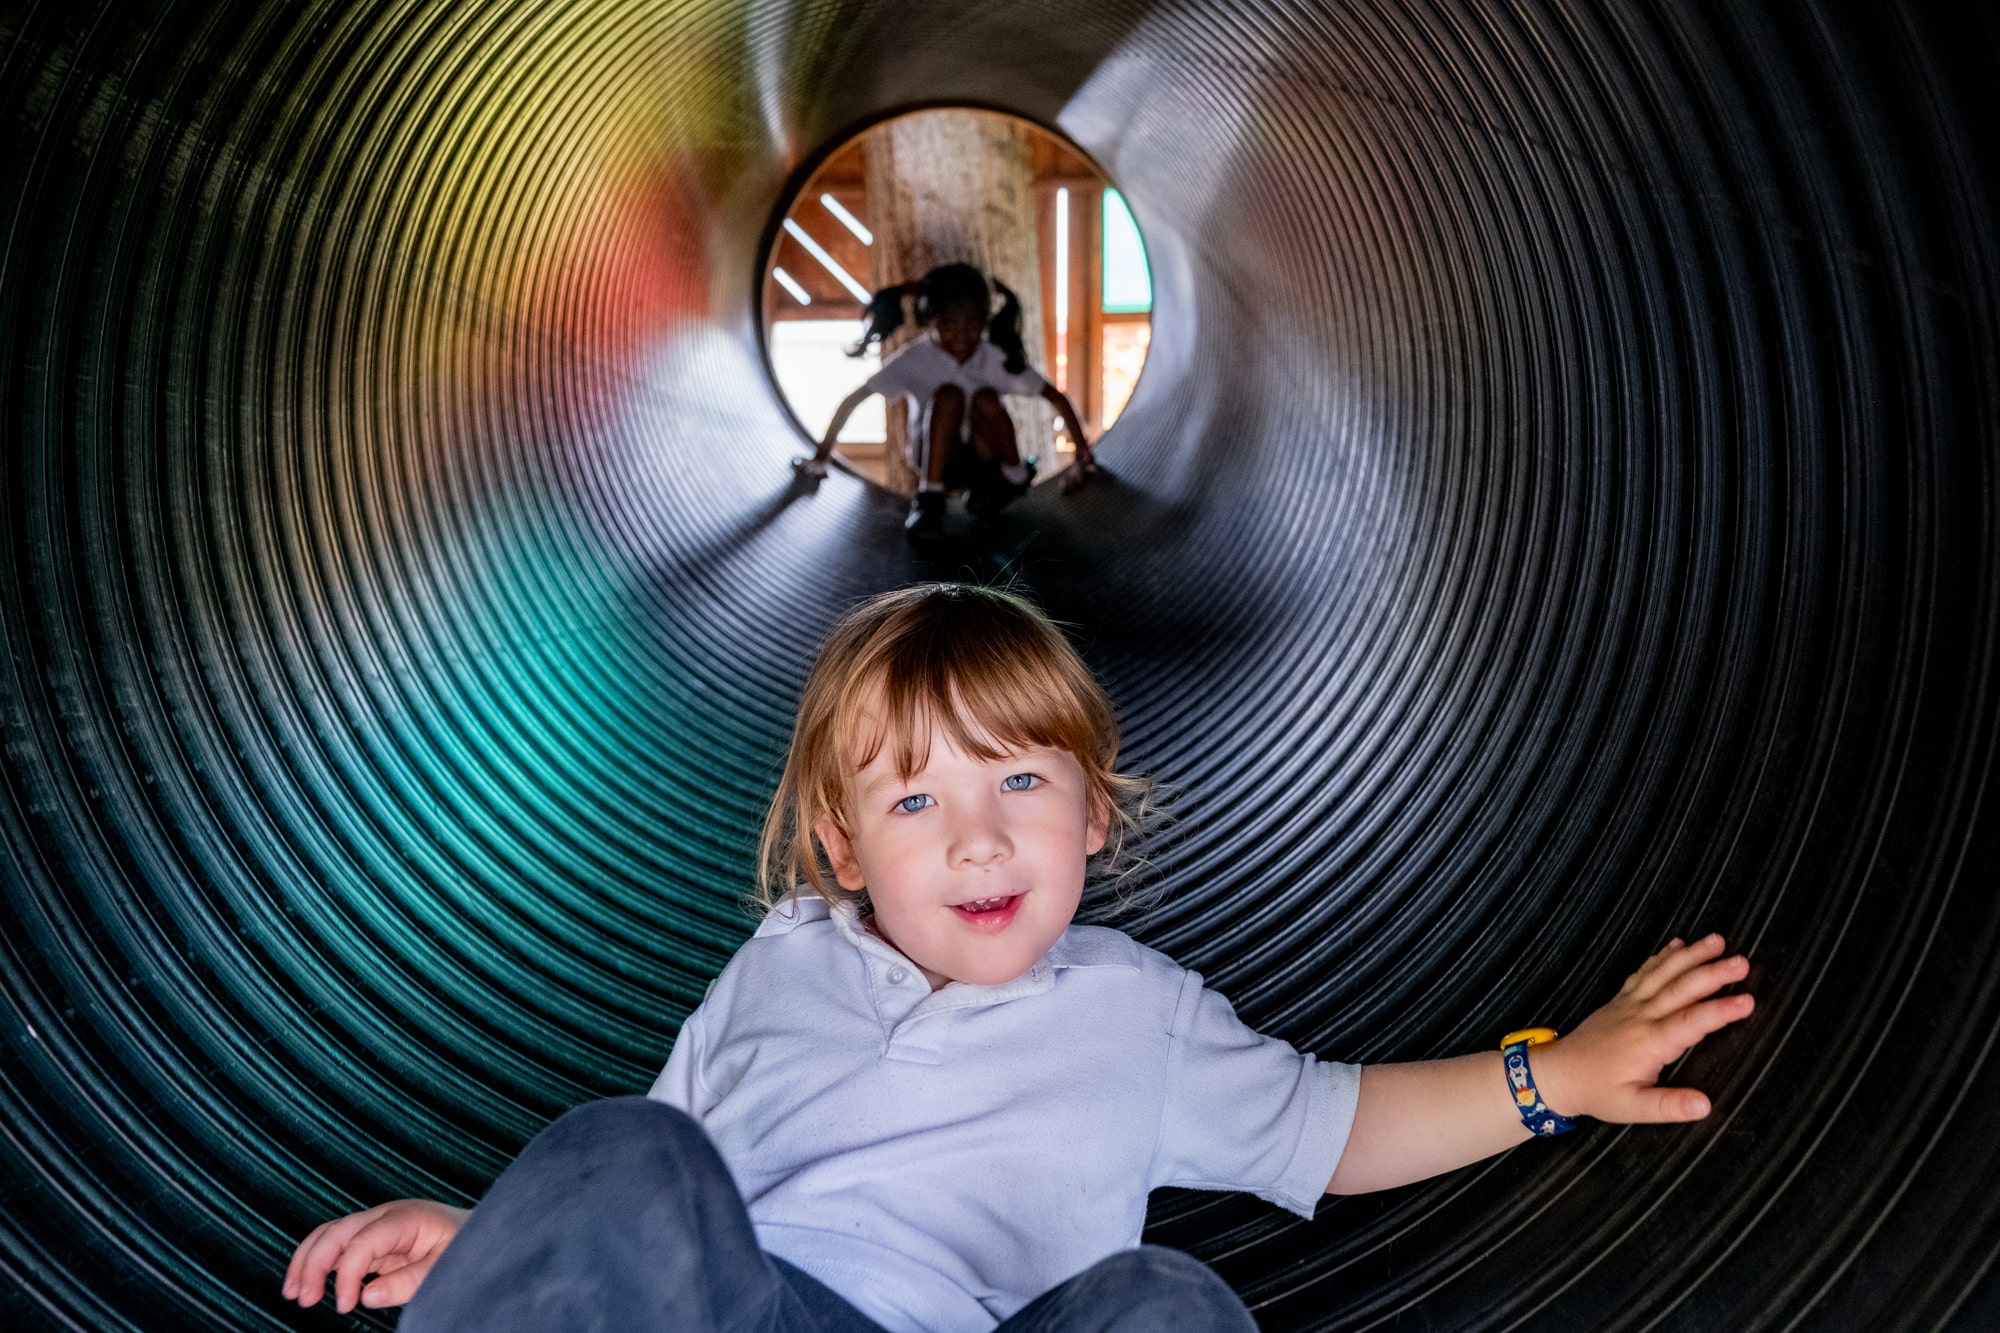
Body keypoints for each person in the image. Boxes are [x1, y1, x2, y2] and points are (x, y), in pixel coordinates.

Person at [282, 583, 1757, 1332]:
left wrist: (1555, 1073)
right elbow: (662, 1186)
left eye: (1023, 784)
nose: (977, 838)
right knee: (621, 1149)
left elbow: (1341, 1123)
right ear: (844, 848)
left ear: (1095, 817)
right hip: (756, 1312)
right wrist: (493, 1236)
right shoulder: (778, 964)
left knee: (1170, 1305)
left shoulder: (1139, 1013)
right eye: (916, 798)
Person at [794, 264, 1099, 538]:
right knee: (949, 396)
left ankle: (1012, 477)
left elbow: (1055, 398)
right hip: (937, 459)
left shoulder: (994, 357)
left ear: (985, 321)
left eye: (972, 322)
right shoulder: (915, 359)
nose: (961, 334)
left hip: (985, 459)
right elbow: (853, 401)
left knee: (986, 400)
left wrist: (1082, 459)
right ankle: (929, 498)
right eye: (949, 323)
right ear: (931, 320)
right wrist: (821, 457)